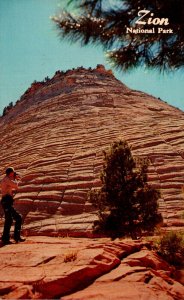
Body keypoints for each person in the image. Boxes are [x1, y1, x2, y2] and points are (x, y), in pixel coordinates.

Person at [1, 167, 25, 245]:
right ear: (11, 173)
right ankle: (16, 237)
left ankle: (6, 238)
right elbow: (16, 185)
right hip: (6, 201)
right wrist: (16, 179)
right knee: (18, 217)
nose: (14, 173)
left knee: (9, 220)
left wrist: (13, 177)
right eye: (13, 172)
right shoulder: (7, 180)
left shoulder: (6, 178)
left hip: (6, 201)